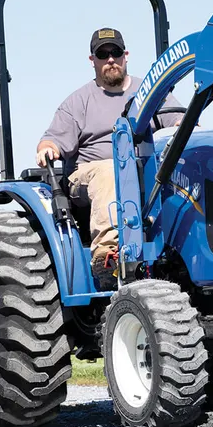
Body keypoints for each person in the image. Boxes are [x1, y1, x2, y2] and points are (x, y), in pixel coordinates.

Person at [36, 27, 184, 288]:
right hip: (90, 174)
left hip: (147, 172)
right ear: (93, 60)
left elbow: (177, 120)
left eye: (115, 52)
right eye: (102, 54)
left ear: (126, 55)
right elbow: (53, 139)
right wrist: (47, 147)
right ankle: (107, 258)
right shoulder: (78, 102)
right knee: (111, 170)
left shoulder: (150, 90)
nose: (110, 59)